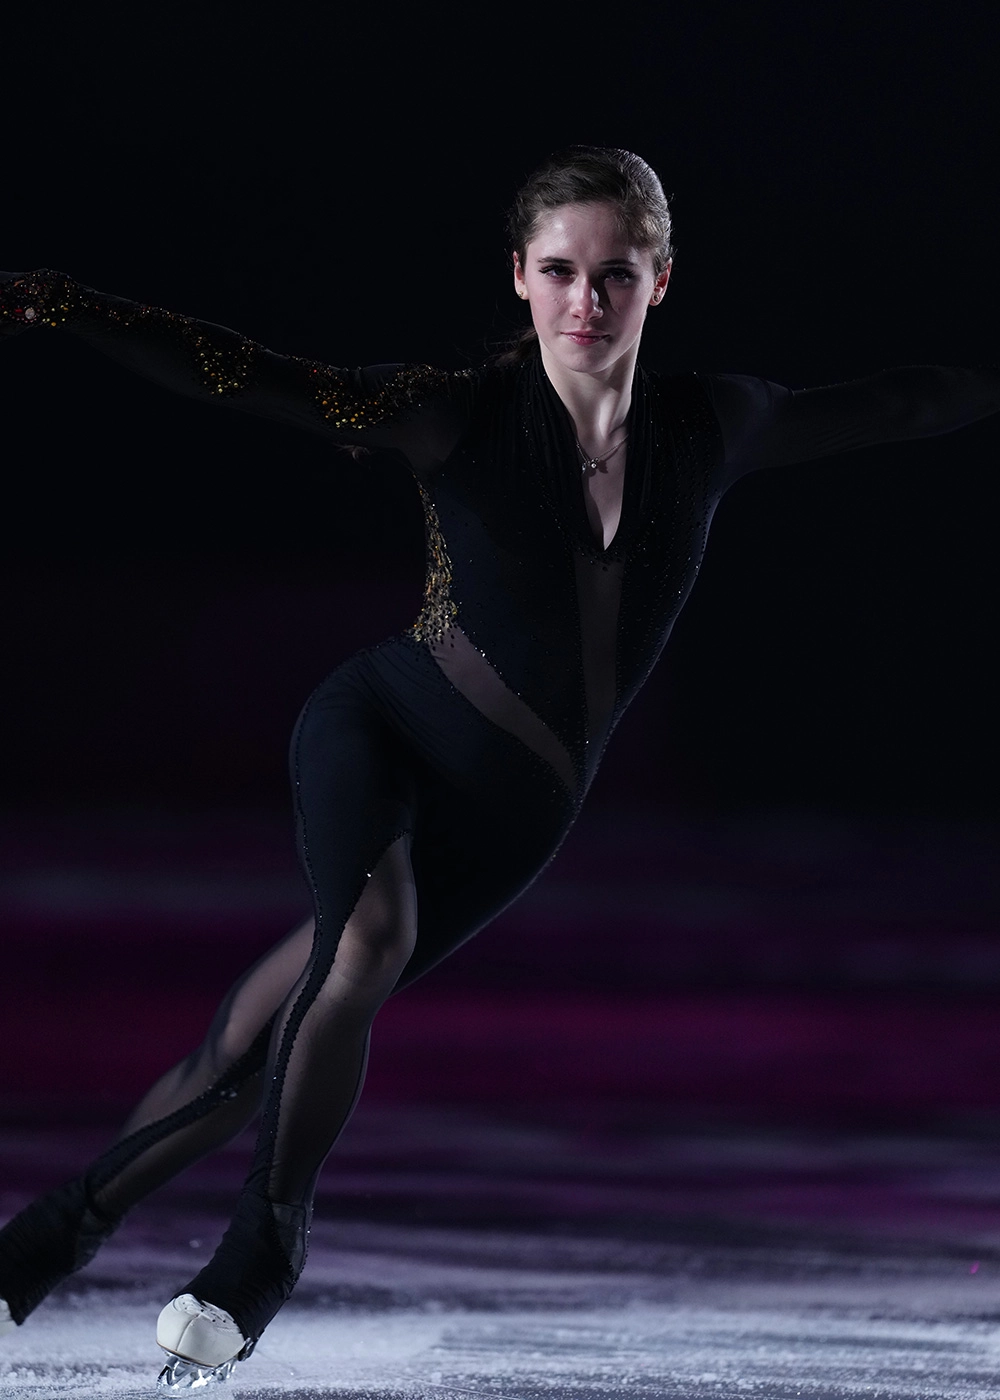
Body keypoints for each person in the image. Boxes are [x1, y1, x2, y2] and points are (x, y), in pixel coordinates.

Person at [1, 146, 997, 1391]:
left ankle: (41, 1243)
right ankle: (258, 1257)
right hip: (380, 726)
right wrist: (64, 302)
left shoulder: (713, 424)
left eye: (615, 274)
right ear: (520, 277)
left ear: (660, 280)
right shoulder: (453, 412)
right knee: (362, 946)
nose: (587, 300)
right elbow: (244, 370)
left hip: (518, 813)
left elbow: (902, 402)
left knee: (257, 1048)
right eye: (560, 271)